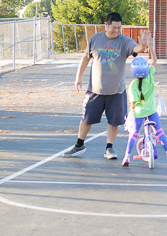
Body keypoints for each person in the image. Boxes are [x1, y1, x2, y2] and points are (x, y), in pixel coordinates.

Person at [63, 12, 147, 160]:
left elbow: (137, 49)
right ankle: (79, 145)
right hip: (95, 90)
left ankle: (109, 148)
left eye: (119, 28)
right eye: (113, 27)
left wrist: (143, 45)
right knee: (86, 119)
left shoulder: (124, 41)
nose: (116, 31)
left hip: (116, 91)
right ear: (106, 25)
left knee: (114, 122)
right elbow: (85, 58)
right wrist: (78, 77)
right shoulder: (95, 39)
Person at [122, 38, 167, 167]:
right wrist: (151, 46)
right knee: (159, 131)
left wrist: (131, 111)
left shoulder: (133, 85)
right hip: (152, 110)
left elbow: (133, 103)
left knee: (134, 133)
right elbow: (154, 61)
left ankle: (127, 156)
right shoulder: (150, 76)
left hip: (140, 112)